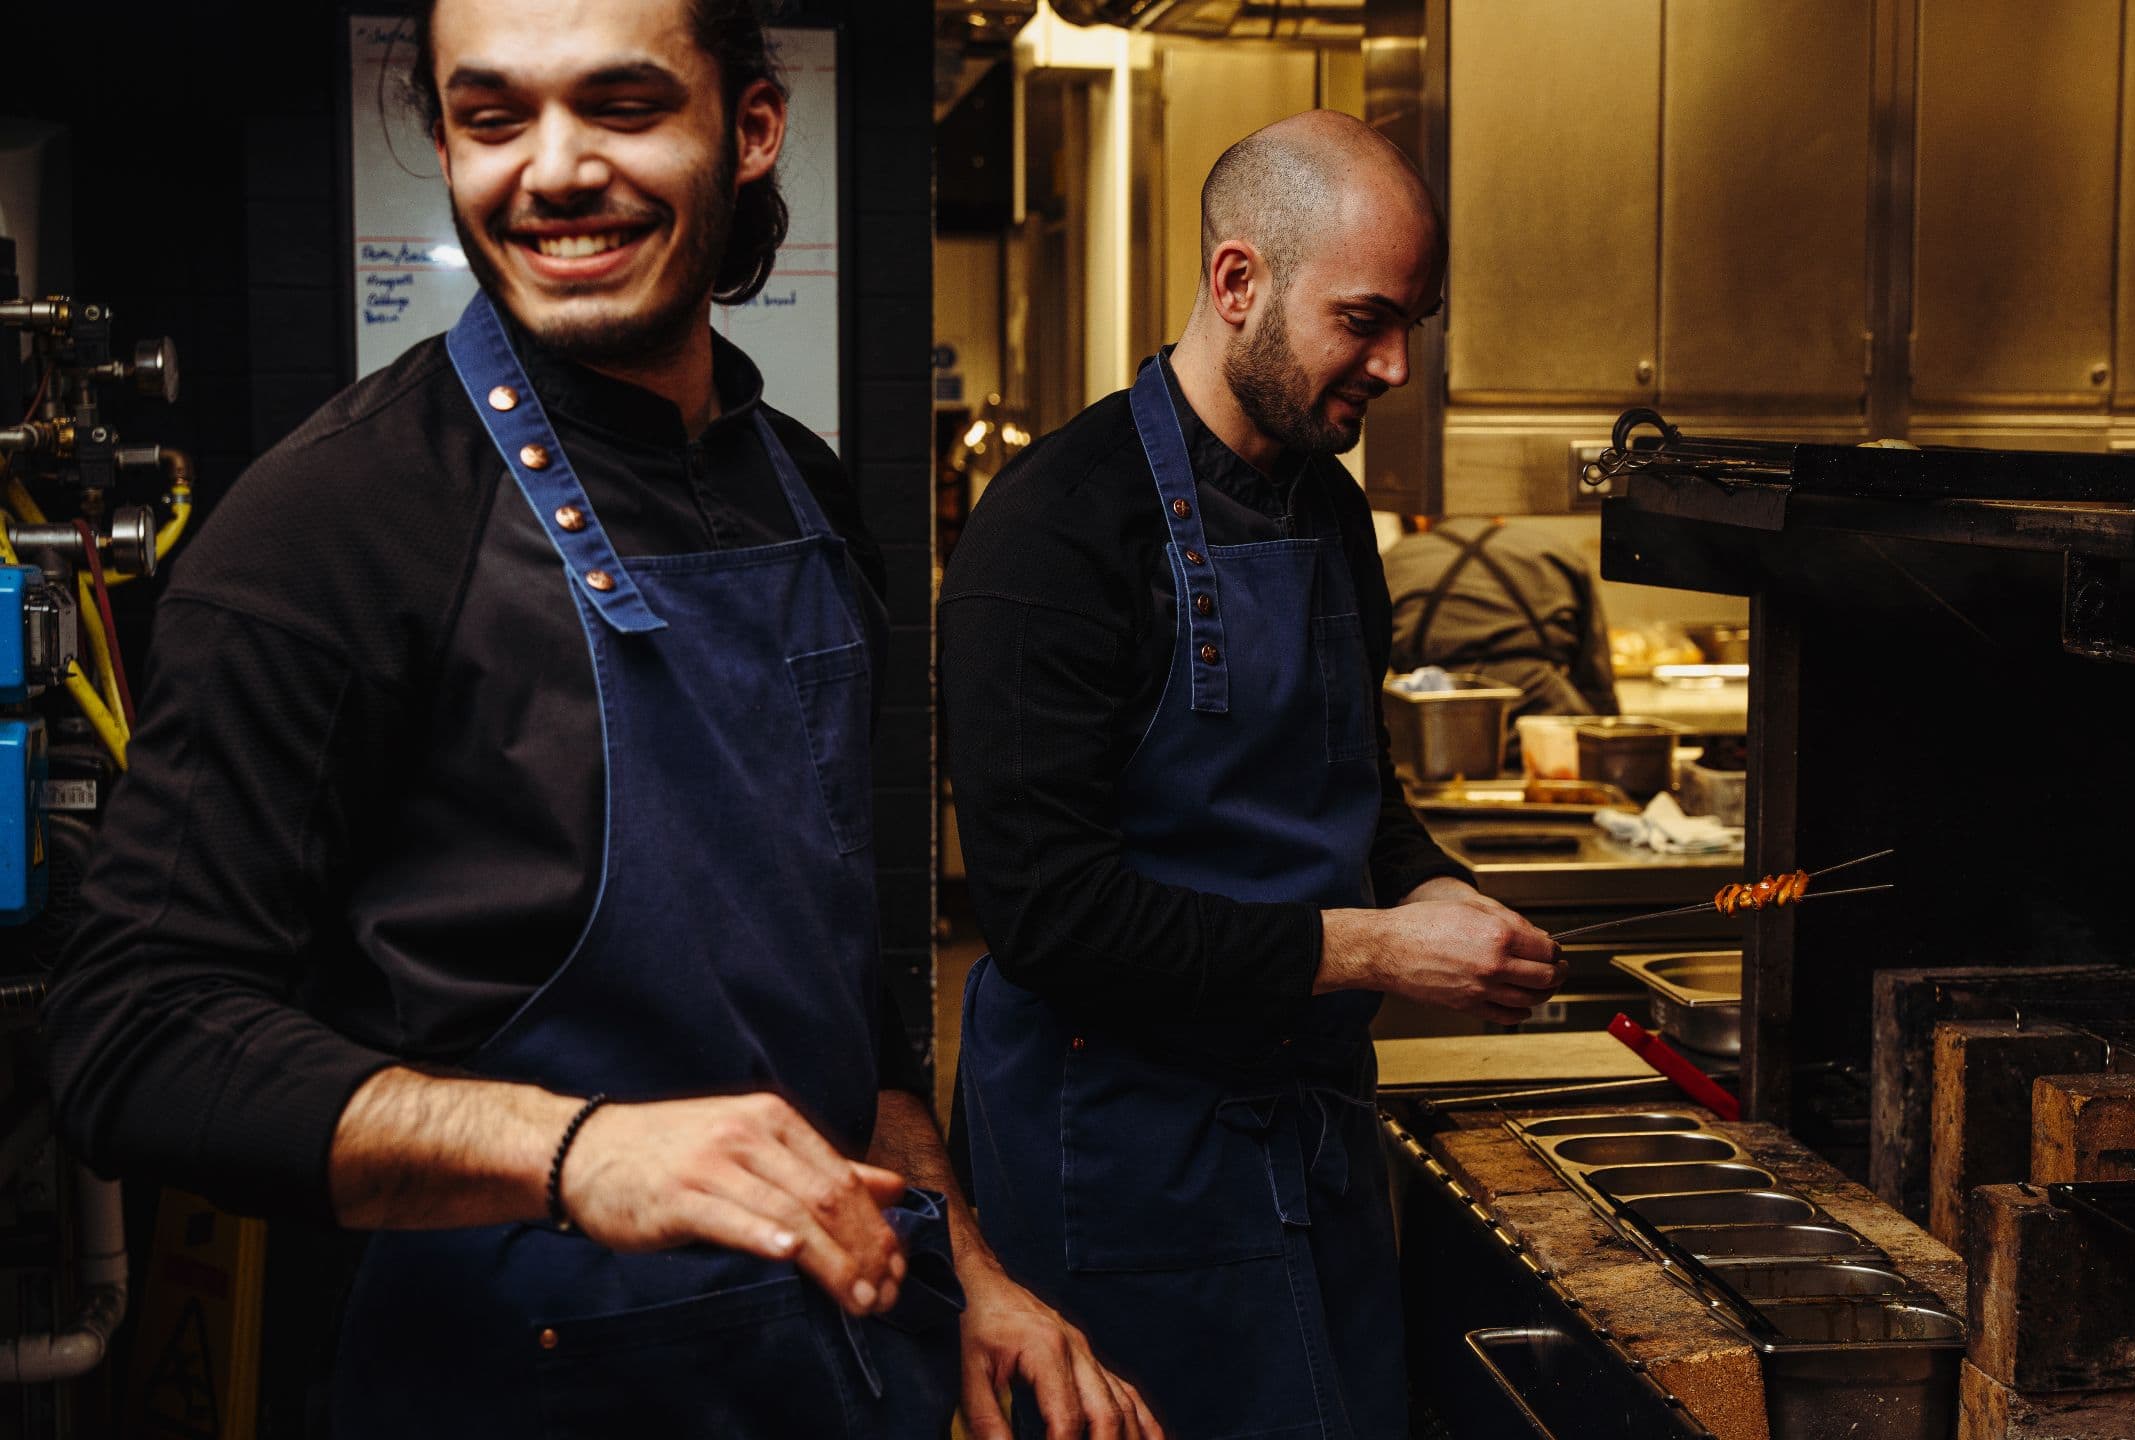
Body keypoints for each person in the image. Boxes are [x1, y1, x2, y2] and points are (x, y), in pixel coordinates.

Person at [41, 2, 1154, 1435]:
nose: (554, 170)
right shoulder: (325, 531)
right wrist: (576, 1154)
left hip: (824, 1375)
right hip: (505, 1378)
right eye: (495, 118)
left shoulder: (804, 496)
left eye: (621, 106)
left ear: (749, 128)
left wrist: (967, 1269)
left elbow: (829, 989)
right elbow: (134, 1041)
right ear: (445, 139)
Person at [940, 111, 1564, 1438]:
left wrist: (1433, 887)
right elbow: (1053, 918)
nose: (1395, 364)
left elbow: (1359, 788)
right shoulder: (1055, 531)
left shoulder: (1331, 511)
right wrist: (1381, 952)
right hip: (1122, 1159)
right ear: (1240, 285)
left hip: (1309, 1132)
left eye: (1416, 323)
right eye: (1366, 320)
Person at [1384, 514, 1619, 718]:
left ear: (1420, 518)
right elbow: (1597, 686)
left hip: (1437, 734)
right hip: (1547, 728)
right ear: (1499, 517)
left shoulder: (1393, 561)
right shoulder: (1556, 551)